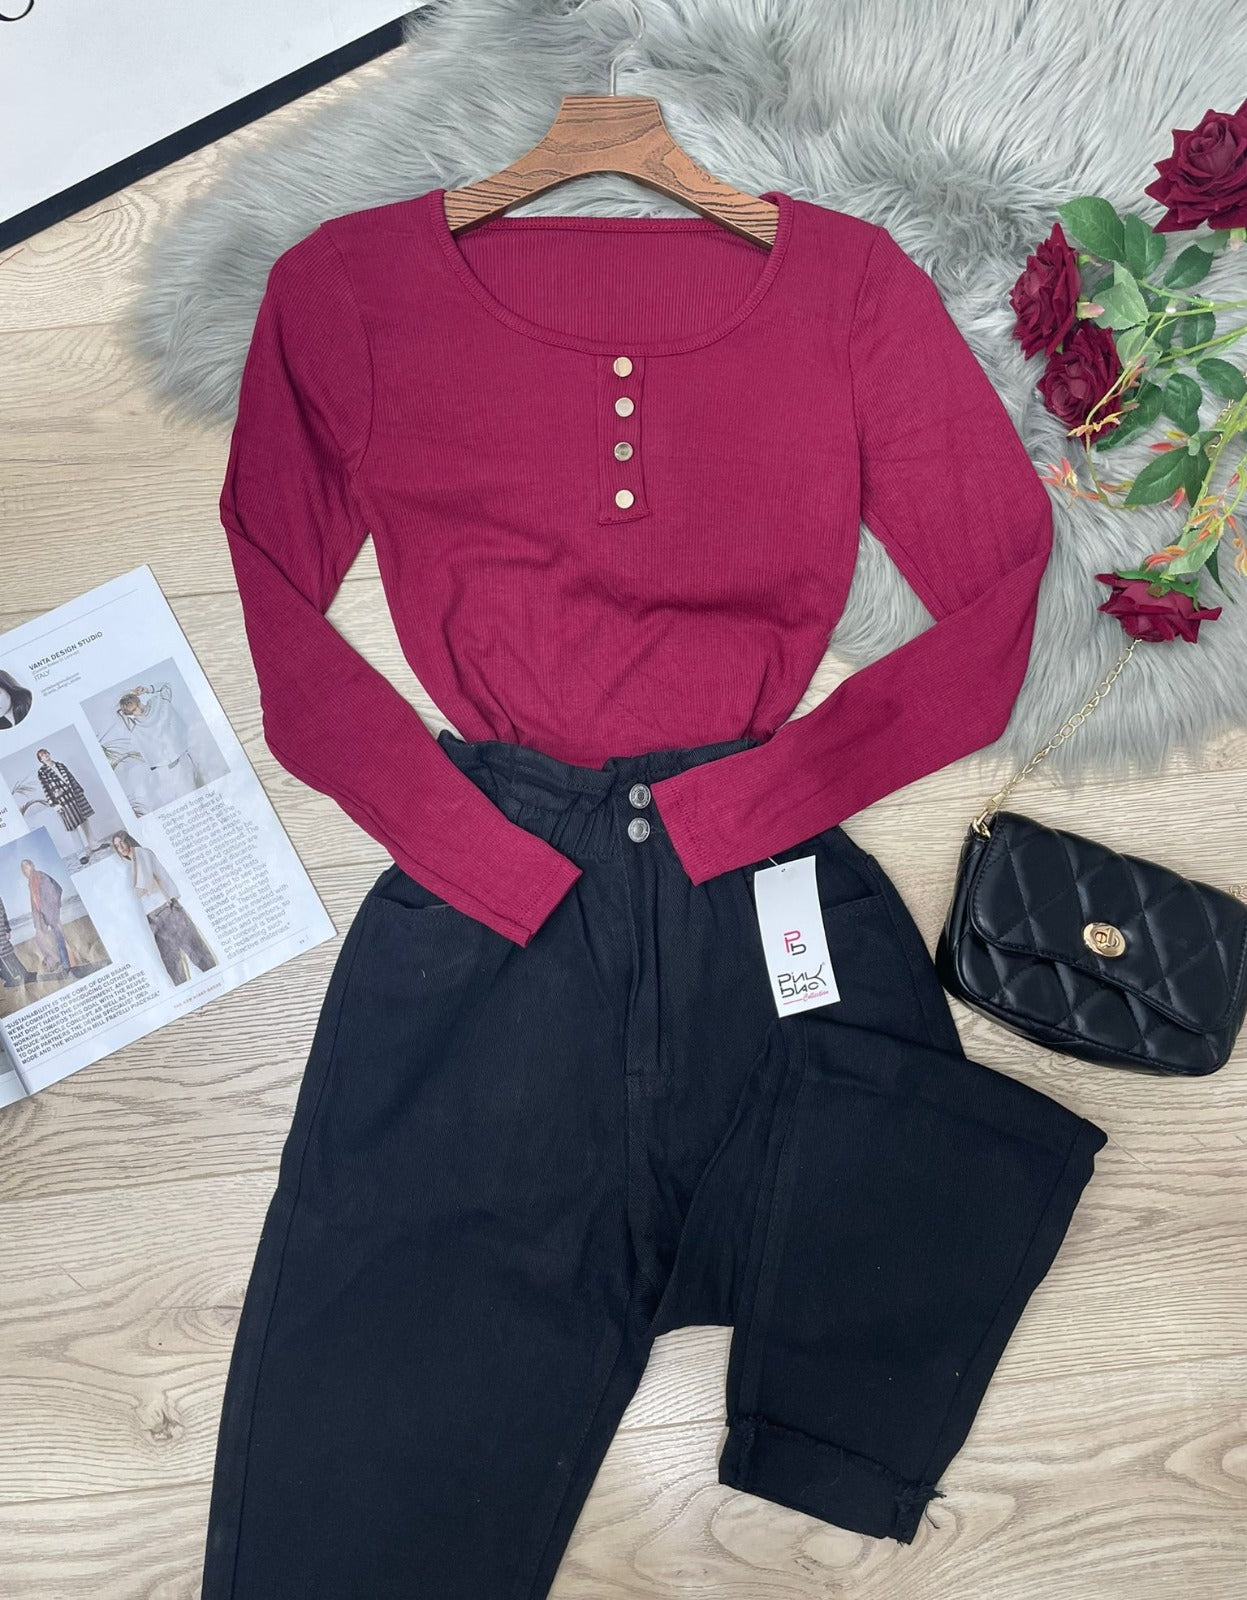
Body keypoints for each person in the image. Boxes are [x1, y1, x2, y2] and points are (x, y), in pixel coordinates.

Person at [111, 830, 217, 985]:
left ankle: (217, 979)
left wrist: (133, 894)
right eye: (117, 846)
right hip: (155, 914)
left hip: (166, 909)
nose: (121, 848)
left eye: (122, 843)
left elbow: (143, 887)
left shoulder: (141, 853)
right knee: (174, 961)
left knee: (192, 950)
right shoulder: (133, 861)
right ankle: (192, 989)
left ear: (129, 841)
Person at [116, 682, 201, 806]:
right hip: (166, 766)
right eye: (134, 710)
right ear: (130, 714)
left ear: (139, 700)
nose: (139, 710)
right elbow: (119, 712)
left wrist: (146, 689)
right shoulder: (134, 725)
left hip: (184, 752)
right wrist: (128, 695)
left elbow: (167, 686)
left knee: (198, 784)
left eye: (137, 705)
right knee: (183, 797)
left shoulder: (159, 702)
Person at [36, 747, 98, 864]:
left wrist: (79, 790)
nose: (45, 755)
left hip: (75, 795)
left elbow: (71, 778)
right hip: (63, 801)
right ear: (41, 760)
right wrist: (54, 804)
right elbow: (46, 789)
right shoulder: (42, 772)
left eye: (46, 753)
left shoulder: (60, 765)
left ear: (49, 753)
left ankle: (94, 845)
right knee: (72, 827)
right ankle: (81, 854)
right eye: (42, 755)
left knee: (85, 821)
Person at [21, 857, 73, 977]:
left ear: (31, 865)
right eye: (23, 868)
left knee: (59, 939)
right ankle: (54, 961)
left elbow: (55, 891)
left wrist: (52, 909)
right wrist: (37, 918)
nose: (25, 870)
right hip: (41, 916)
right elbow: (35, 902)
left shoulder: (40, 876)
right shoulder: (30, 882)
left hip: (50, 913)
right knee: (39, 938)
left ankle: (66, 966)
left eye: (26, 866)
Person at [0, 891, 36, 987]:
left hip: (2, 931)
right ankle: (10, 979)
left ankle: (24, 975)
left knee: (10, 954)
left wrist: (7, 929)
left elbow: (3, 914)